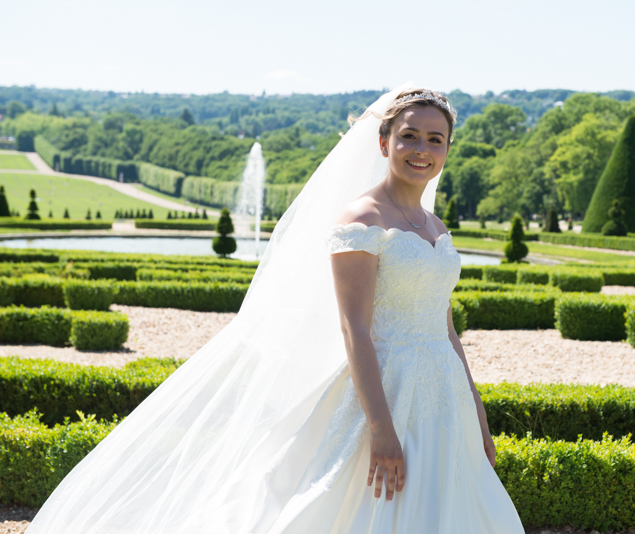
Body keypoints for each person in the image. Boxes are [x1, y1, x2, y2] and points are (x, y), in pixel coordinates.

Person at [25, 85, 524, 533]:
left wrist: (476, 412)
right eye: (409, 136)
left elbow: (445, 328)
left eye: (435, 140)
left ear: (447, 149)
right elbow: (353, 328)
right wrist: (380, 429)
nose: (422, 149)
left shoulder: (436, 227)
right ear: (383, 142)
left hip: (445, 396)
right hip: (385, 392)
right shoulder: (363, 218)